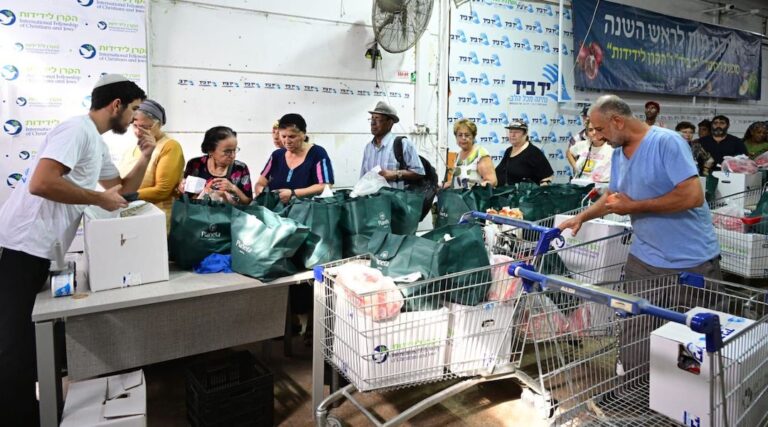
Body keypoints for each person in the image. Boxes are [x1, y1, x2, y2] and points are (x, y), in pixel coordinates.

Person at [0, 74, 151, 426]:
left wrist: (148, 153)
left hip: (41, 249)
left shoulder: (95, 143)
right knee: (11, 343)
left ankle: (31, 412)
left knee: (24, 341)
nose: (133, 119)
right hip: (23, 245)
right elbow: (42, 182)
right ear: (116, 105)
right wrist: (98, 198)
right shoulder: (76, 130)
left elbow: (122, 190)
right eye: (131, 110)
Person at [559, 94, 721, 280]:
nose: (600, 137)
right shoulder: (618, 153)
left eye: (600, 129)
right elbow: (612, 196)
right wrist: (582, 217)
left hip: (690, 260)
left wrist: (633, 207)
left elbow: (693, 197)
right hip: (643, 258)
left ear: (618, 121)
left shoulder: (666, 142)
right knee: (636, 309)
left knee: (690, 310)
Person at [118, 99, 184, 229]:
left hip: (155, 218)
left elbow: (163, 190)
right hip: (131, 214)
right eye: (135, 126)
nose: (138, 131)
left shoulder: (169, 147)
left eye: (145, 127)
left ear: (158, 124)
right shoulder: (132, 148)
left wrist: (128, 195)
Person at [256, 113, 335, 204]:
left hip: (304, 211)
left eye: (292, 137)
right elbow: (260, 183)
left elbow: (325, 185)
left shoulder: (317, 153)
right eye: (283, 136)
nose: (287, 141)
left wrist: (293, 193)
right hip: (275, 211)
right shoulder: (276, 155)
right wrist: (261, 192)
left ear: (303, 134)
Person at [361, 101, 425, 190]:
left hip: (395, 202)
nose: (373, 123)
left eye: (378, 119)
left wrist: (395, 174)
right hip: (373, 202)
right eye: (372, 119)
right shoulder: (368, 148)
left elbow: (419, 172)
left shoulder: (402, 144)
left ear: (390, 123)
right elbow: (363, 178)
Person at [181, 126, 252, 205]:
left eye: (234, 150)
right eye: (227, 151)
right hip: (199, 216)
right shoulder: (195, 165)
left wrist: (233, 188)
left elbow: (248, 203)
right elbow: (186, 199)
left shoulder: (240, 168)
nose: (233, 155)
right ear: (211, 150)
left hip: (229, 216)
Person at [495, 120, 554, 186]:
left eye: (517, 132)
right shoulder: (509, 150)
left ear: (525, 134)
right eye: (511, 132)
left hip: (523, 195)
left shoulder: (534, 152)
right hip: (503, 193)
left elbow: (548, 176)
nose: (512, 135)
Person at [444, 118, 497, 188]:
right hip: (460, 197)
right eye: (460, 135)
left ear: (473, 137)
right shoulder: (458, 155)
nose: (463, 138)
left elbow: (492, 181)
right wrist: (446, 185)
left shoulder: (480, 154)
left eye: (467, 135)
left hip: (476, 198)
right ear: (456, 138)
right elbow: (462, 180)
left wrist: (475, 189)